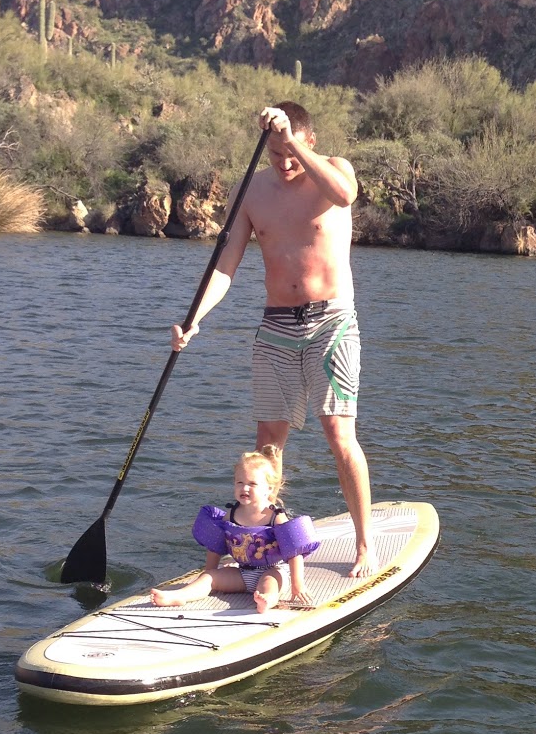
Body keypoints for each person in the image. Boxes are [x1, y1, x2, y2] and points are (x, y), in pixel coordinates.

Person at [170, 101, 377, 578]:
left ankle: (365, 544)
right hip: (276, 326)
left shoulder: (334, 171)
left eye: (291, 153)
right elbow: (226, 265)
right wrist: (196, 317)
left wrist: (293, 145)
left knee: (338, 433)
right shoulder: (252, 191)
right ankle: (259, 542)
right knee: (267, 446)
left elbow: (345, 195)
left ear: (310, 142)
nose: (284, 164)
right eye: (274, 154)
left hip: (332, 322)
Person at [150, 445, 318, 615]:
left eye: (252, 484)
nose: (244, 488)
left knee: (269, 584)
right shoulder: (231, 514)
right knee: (209, 578)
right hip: (242, 572)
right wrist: (211, 572)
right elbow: (215, 546)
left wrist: (298, 585)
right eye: (240, 483)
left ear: (269, 489)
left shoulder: (275, 516)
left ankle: (267, 600)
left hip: (273, 570)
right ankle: (180, 595)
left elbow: (294, 552)